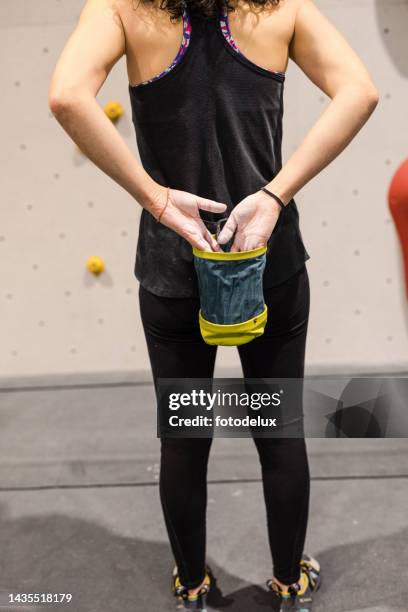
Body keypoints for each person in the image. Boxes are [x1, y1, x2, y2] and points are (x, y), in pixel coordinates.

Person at [48, 0, 379, 609]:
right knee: (277, 431)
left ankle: (194, 586)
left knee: (184, 436)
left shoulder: (121, 9)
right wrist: (275, 196)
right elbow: (360, 90)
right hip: (265, 258)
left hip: (177, 263)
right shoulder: (281, 8)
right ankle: (287, 583)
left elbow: (68, 96)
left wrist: (155, 199)